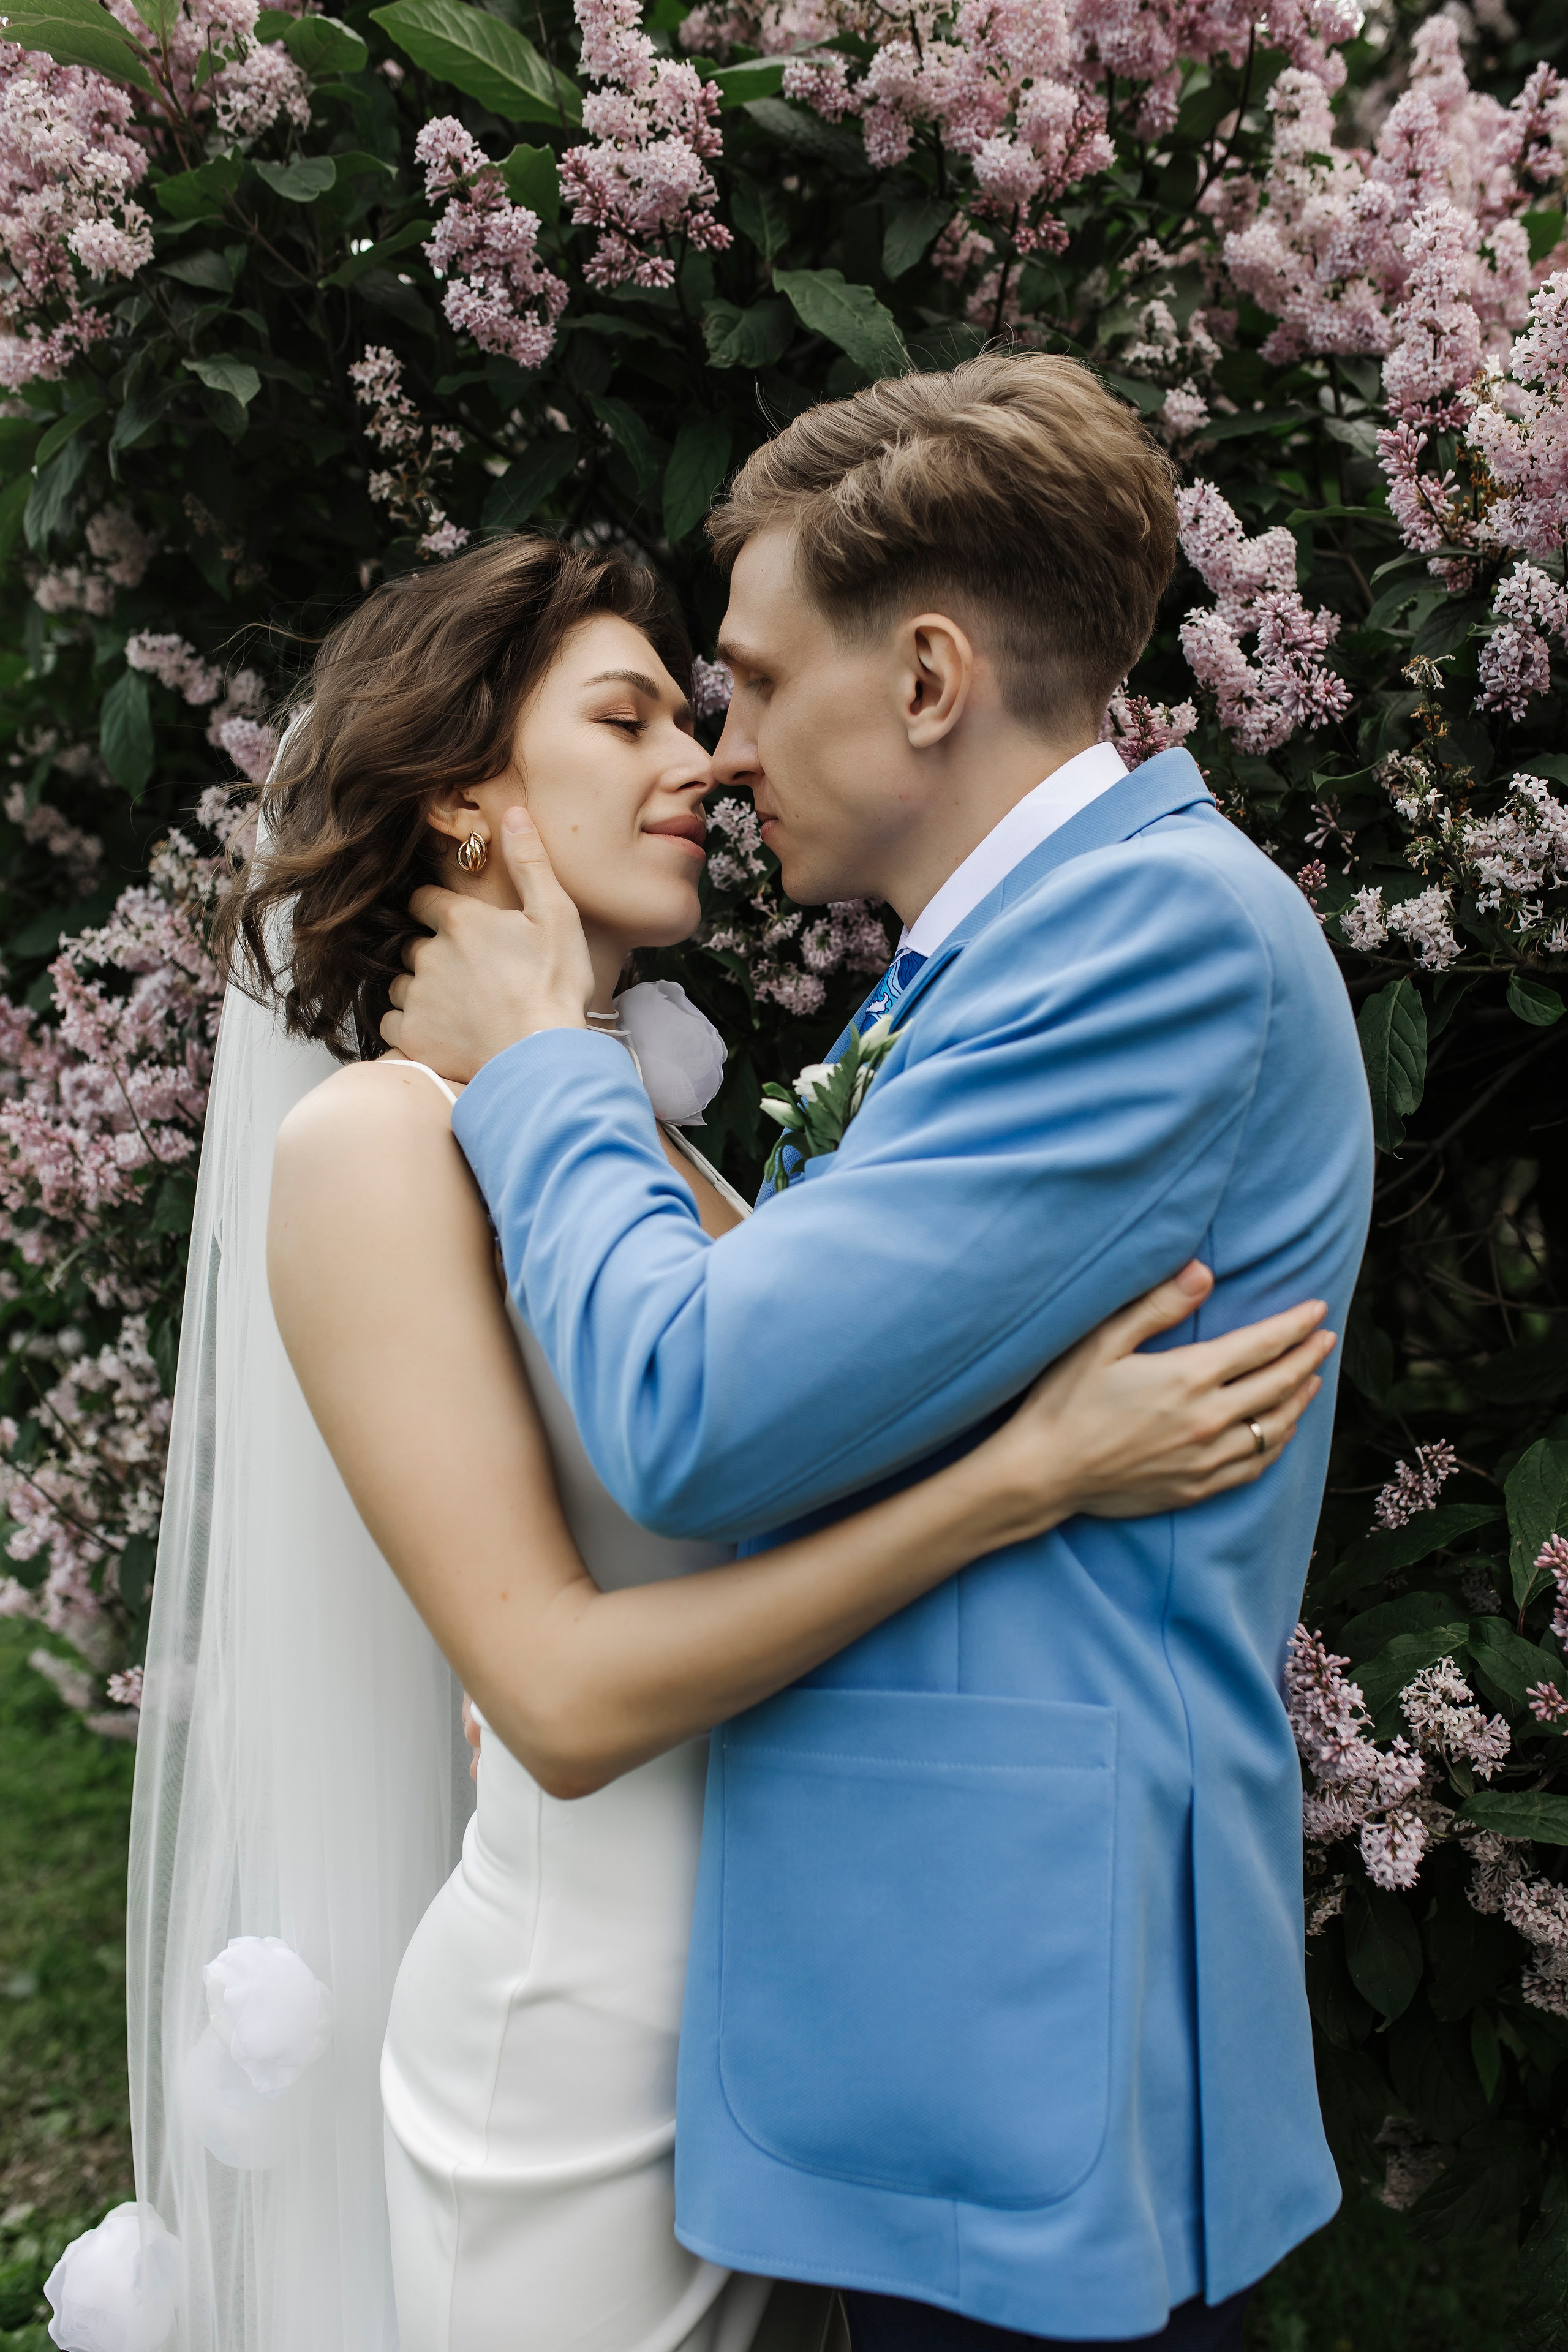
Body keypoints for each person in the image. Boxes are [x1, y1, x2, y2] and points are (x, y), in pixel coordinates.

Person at [104, 532, 1334, 2352]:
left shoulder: (642, 1149)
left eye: (696, 716)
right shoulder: (376, 1147)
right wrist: (1030, 1477)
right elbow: (564, 1703)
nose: (702, 764)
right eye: (627, 721)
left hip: (797, 2022)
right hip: (580, 2056)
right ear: (461, 806)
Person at [382, 354, 1377, 2351]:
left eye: (745, 679)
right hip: (926, 2015)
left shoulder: (1148, 945)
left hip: (1024, 2041)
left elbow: (694, 1409)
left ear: (927, 681)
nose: (724, 748)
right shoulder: (999, 964)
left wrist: (538, 1067)